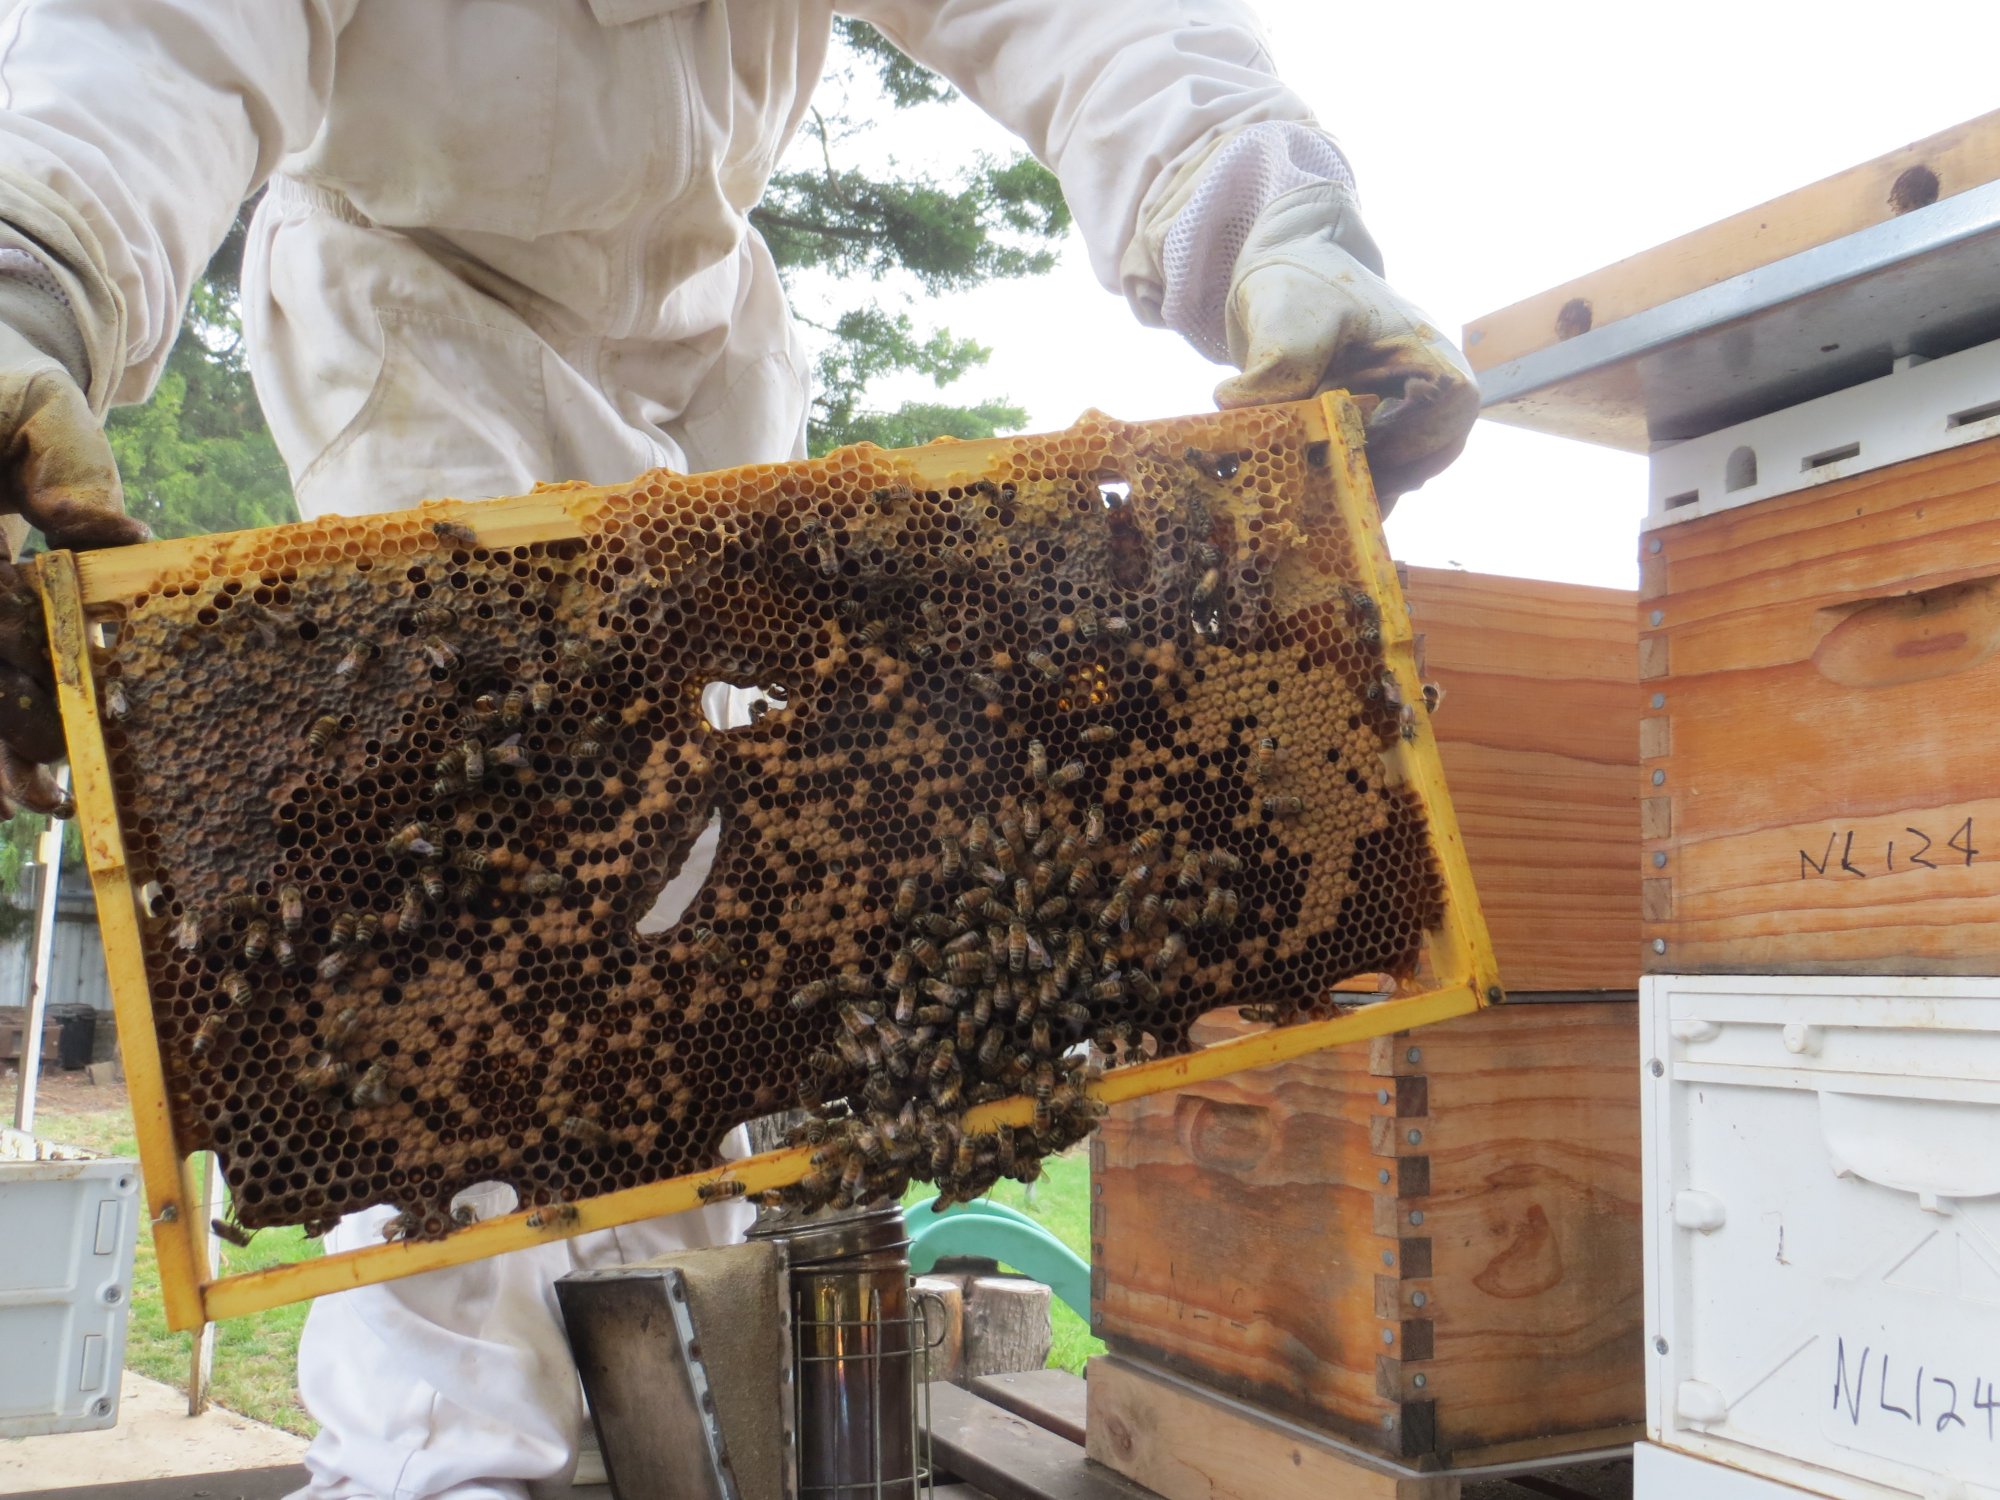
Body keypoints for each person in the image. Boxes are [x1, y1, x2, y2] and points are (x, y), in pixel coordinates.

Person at [0, 3, 1477, 1495]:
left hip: (706, 338)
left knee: (721, 944)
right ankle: (437, 1455)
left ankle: (657, 1417)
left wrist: (1261, 200)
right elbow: (153, 41)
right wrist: (27, 267)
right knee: (480, 937)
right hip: (409, 316)